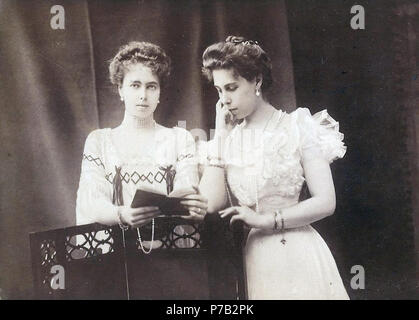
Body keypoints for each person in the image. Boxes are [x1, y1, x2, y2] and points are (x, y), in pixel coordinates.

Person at [198, 36, 349, 299]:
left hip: (300, 254)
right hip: (257, 259)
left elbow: (326, 201)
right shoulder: (228, 139)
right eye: (219, 90)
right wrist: (220, 136)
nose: (225, 100)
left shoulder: (298, 126)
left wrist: (267, 220)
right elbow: (210, 204)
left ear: (256, 81)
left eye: (231, 88)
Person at [76, 41, 207, 250]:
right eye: (135, 85)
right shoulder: (99, 141)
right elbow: (90, 201)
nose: (143, 95)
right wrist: (122, 214)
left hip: (170, 253)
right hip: (118, 255)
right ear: (120, 89)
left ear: (160, 92)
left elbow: (187, 189)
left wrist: (195, 206)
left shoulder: (180, 139)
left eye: (151, 86)